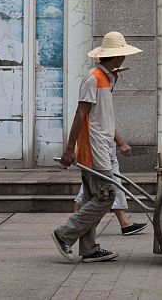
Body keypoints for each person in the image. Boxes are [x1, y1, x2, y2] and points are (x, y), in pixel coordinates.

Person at [52, 31, 142, 263]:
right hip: (94, 150)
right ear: (118, 57)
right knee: (105, 196)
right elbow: (80, 114)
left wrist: (118, 141)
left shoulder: (105, 79)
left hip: (102, 147)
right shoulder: (93, 79)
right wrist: (69, 149)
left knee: (95, 196)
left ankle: (89, 248)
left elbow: (102, 119)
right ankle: (65, 233)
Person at [72, 133, 148, 236]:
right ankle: (74, 225)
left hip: (106, 152)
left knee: (113, 188)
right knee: (94, 189)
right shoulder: (95, 117)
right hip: (99, 154)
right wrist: (122, 143)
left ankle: (124, 223)